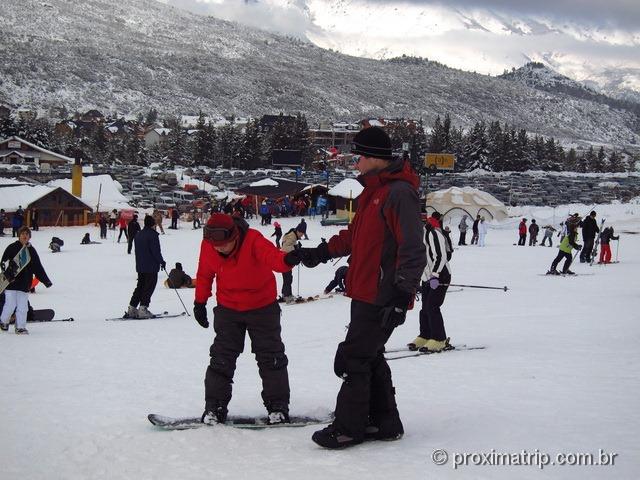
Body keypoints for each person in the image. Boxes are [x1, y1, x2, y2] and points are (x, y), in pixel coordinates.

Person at [295, 126, 426, 449]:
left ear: (375, 158)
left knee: (353, 358)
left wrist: (401, 295)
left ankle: (349, 427)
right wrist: (320, 252)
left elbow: (413, 250)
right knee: (370, 356)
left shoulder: (398, 193)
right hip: (365, 290)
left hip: (384, 293)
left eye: (360, 157)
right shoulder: (373, 191)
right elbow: (355, 237)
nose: (356, 164)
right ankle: (385, 422)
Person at [193, 213, 301, 426]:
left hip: (262, 308)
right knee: (221, 359)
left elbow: (273, 258)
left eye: (224, 245)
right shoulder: (209, 245)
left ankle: (278, 407)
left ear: (234, 235)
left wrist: (287, 259)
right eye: (216, 246)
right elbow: (205, 273)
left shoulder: (253, 239)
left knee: (271, 358)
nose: (219, 249)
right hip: (228, 309)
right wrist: (200, 302)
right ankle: (214, 408)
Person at [408, 213, 451, 352]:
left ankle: (439, 339)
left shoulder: (432, 234)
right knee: (425, 307)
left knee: (432, 306)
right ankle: (426, 335)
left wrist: (435, 275)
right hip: (427, 278)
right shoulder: (417, 237)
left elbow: (441, 256)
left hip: (440, 276)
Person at [0, 226, 52, 334]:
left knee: (23, 307)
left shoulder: (31, 251)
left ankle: (20, 327)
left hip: (24, 283)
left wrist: (45, 280)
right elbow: (3, 263)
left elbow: (38, 267)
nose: (25, 236)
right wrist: (8, 275)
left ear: (29, 237)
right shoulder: (12, 247)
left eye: (27, 234)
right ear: (19, 235)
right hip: (11, 283)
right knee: (10, 305)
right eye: (23, 234)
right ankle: (3, 321)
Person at [126, 215, 166, 319]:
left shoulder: (139, 235)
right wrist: (161, 261)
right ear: (153, 224)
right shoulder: (153, 235)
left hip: (140, 265)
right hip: (151, 266)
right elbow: (155, 251)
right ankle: (143, 308)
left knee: (140, 286)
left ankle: (132, 307)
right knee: (149, 287)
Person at [279, 226, 304, 303]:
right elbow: (284, 248)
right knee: (288, 278)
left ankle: (286, 294)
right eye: (301, 234)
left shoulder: (293, 235)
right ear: (298, 232)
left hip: (287, 260)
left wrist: (296, 248)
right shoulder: (292, 236)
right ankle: (287, 296)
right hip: (284, 261)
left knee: (288, 278)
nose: (302, 236)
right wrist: (296, 247)